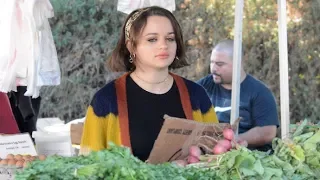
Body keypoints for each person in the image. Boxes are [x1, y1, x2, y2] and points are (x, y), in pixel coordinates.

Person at [80, 6, 219, 161]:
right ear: (131, 46)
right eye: (152, 39)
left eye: (170, 39)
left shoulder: (196, 95)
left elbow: (216, 155)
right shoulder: (106, 100)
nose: (163, 45)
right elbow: (88, 167)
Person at [197, 39, 279, 152]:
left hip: (247, 157)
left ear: (238, 63)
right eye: (212, 62)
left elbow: (267, 132)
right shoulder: (203, 87)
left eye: (220, 64)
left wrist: (232, 141)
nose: (213, 68)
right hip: (207, 154)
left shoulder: (260, 93)